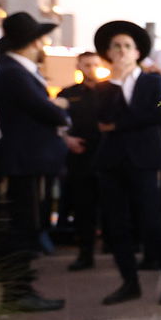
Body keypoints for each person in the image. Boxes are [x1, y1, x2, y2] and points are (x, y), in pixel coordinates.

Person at [91, 21, 161, 307]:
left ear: (137, 52)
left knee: (151, 221)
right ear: (108, 52)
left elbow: (159, 117)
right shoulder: (104, 86)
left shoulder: (152, 81)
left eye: (127, 46)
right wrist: (117, 87)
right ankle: (129, 283)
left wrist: (117, 125)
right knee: (118, 226)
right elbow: (102, 120)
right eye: (116, 46)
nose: (121, 50)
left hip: (144, 159)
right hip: (110, 162)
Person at [0, 13, 67, 313]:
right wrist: (59, 109)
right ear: (33, 42)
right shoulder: (13, 73)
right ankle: (18, 291)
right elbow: (48, 111)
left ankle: (22, 288)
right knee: (23, 227)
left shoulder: (16, 71)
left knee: (29, 225)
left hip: (29, 161)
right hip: (24, 161)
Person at [59, 50, 104, 271]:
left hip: (107, 159)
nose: (91, 69)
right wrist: (66, 139)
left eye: (95, 65)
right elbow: (57, 124)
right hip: (80, 158)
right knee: (83, 209)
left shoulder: (111, 92)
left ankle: (118, 250)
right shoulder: (67, 93)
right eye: (86, 65)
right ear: (79, 67)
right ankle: (85, 254)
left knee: (112, 207)